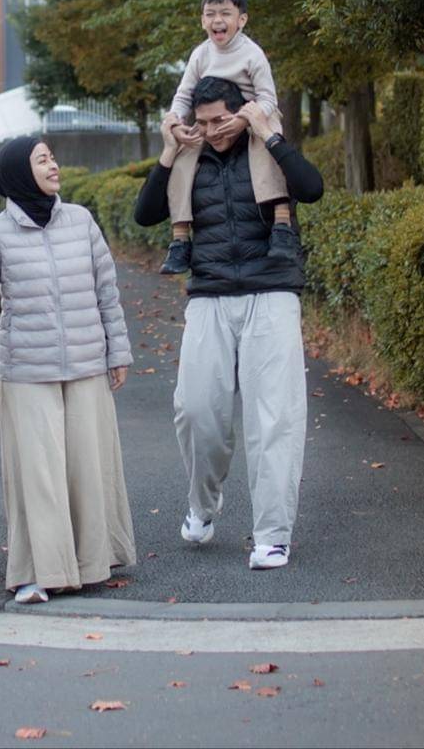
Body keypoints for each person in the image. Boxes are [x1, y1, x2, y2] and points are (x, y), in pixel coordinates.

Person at [134, 76, 323, 569]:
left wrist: (273, 136)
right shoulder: (190, 154)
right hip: (210, 292)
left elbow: (313, 188)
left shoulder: (266, 148)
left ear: (242, 112)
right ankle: (203, 504)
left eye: (222, 120)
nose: (214, 130)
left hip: (273, 288)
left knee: (275, 418)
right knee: (195, 410)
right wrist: (171, 151)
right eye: (203, 122)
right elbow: (145, 213)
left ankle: (272, 535)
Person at [0, 136, 136, 604]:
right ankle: (38, 572)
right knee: (39, 475)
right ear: (19, 172)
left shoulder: (80, 221)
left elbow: (107, 292)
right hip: (27, 370)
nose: (54, 165)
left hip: (86, 363)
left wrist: (118, 351)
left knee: (87, 467)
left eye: (53, 157)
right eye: (43, 159)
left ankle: (93, 562)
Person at [160, 0, 296, 275]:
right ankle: (180, 238)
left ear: (241, 20)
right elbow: (184, 95)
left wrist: (248, 121)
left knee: (269, 140)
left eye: (225, 13)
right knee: (183, 150)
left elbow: (268, 98)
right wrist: (174, 121)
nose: (217, 20)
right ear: (202, 21)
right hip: (212, 120)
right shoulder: (200, 55)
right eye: (210, 14)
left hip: (252, 114)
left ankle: (282, 223)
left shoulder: (252, 54)